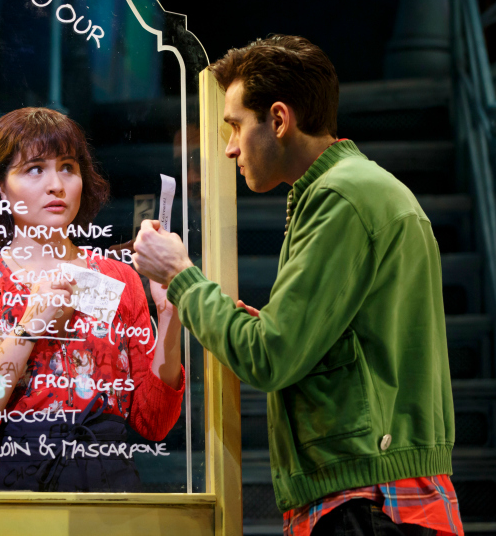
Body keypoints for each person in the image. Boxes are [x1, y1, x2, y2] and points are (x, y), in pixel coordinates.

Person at [133, 35, 463, 535]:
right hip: (374, 495)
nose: (227, 148)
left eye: (236, 126)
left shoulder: (342, 197)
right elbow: (336, 344)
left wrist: (180, 275)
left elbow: (271, 357)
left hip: (367, 503)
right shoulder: (354, 189)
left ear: (280, 120)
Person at [0, 107, 185, 492]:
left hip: (107, 496)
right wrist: (29, 328)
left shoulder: (118, 279)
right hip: (7, 500)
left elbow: (153, 421)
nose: (57, 185)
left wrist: (169, 316)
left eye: (68, 167)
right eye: (35, 169)